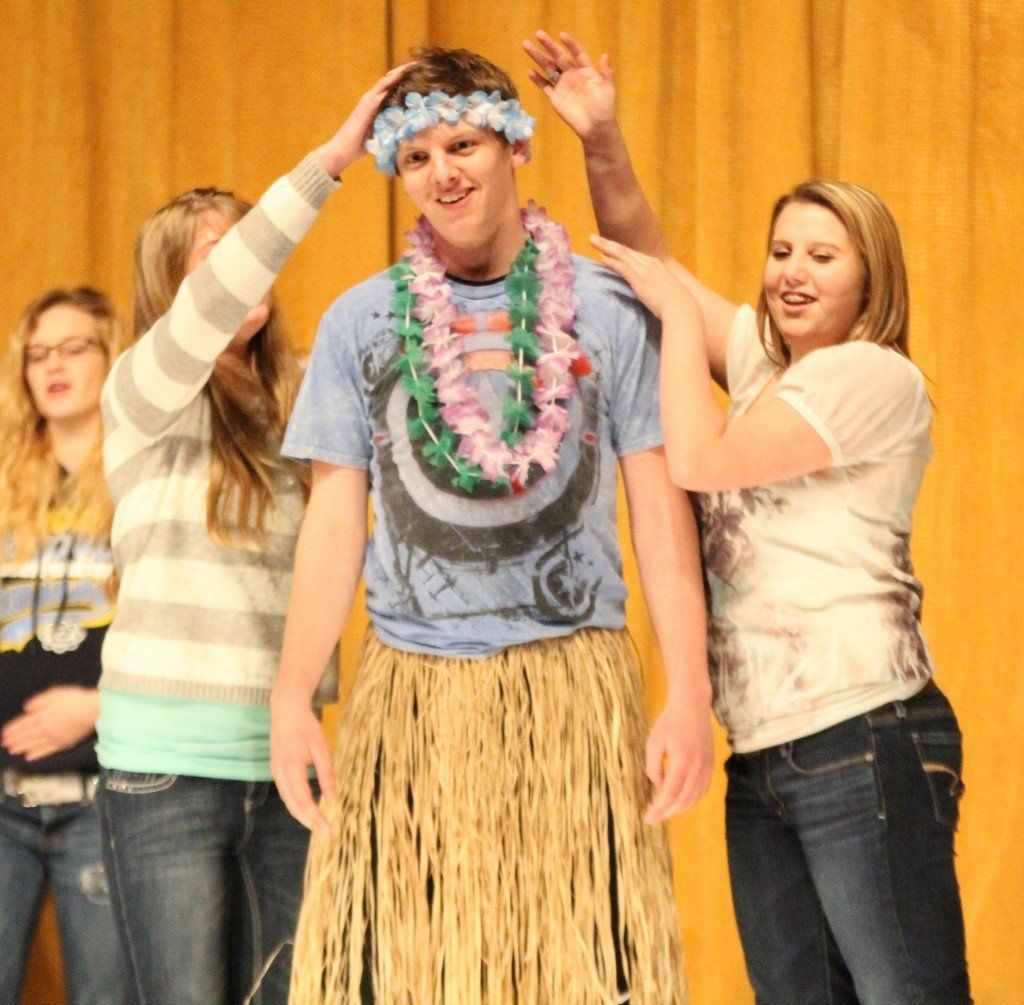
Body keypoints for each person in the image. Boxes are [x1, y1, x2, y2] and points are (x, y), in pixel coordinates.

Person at [524, 30, 972, 1005]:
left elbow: (699, 457)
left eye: (822, 254)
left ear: (869, 280)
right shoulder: (773, 367)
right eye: (778, 252)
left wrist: (680, 323)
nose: (790, 272)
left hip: (864, 734)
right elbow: (647, 261)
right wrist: (600, 137)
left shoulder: (872, 375)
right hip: (764, 751)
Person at [272, 48, 713, 1005]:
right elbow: (333, 524)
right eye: (419, 155)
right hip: (414, 698)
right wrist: (293, 695)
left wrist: (688, 691)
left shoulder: (608, 308)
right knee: (408, 975)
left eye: (464, 142)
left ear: (516, 147)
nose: (445, 172)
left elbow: (659, 512)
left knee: (586, 973)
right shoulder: (359, 324)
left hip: (572, 685)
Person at [93, 68, 409, 1005]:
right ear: (172, 285)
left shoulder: (309, 393)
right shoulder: (140, 389)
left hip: (288, 762)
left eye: (250, 253)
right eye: (216, 259)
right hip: (164, 770)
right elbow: (207, 312)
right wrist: (329, 165)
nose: (245, 273)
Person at [0, 287, 127, 1004]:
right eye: (38, 352)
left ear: (114, 358)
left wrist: (100, 704)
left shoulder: (143, 475)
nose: (54, 365)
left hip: (103, 795)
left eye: (75, 347)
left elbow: (178, 625)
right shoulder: (5, 475)